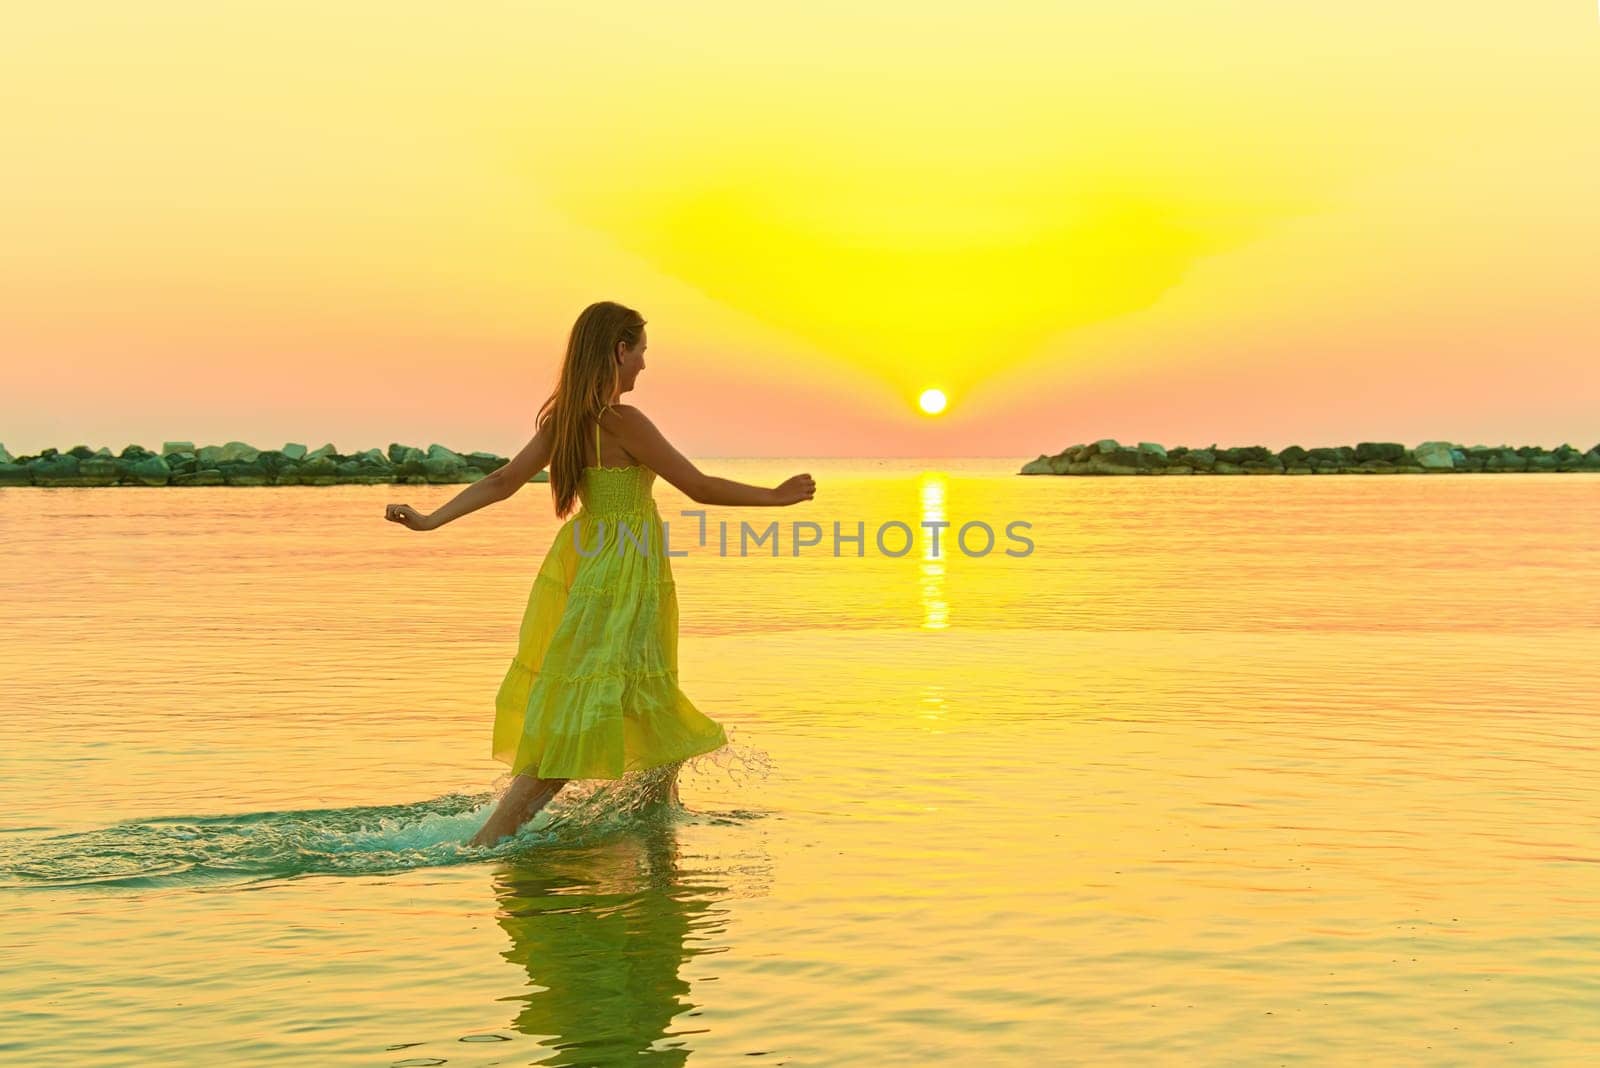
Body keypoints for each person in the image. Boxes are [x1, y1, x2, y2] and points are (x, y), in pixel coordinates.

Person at [383, 300, 816, 848]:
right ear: (619, 350)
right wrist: (775, 498)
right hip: (622, 573)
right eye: (640, 352)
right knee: (589, 704)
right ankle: (487, 841)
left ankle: (657, 829)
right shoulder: (623, 422)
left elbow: (501, 481)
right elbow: (698, 487)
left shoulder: (564, 423)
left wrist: (430, 521)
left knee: (643, 691)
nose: (643, 366)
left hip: (594, 561)